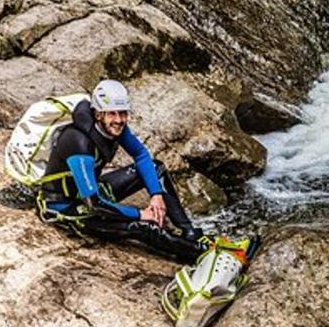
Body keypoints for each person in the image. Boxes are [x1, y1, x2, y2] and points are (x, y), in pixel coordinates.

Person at [36, 79, 240, 264]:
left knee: (156, 168)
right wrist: (141, 214)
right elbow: (94, 205)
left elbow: (142, 155)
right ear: (99, 114)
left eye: (123, 112)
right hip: (69, 208)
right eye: (113, 113)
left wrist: (156, 194)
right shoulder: (78, 143)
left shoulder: (113, 127)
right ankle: (200, 254)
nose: (119, 119)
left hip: (90, 192)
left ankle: (190, 233)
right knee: (143, 228)